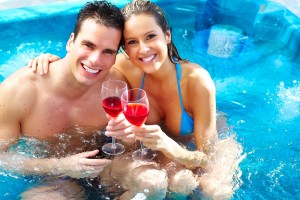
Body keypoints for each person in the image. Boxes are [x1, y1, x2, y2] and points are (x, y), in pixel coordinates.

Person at [29, 0, 244, 199]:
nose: (143, 49)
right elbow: (87, 63)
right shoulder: (124, 67)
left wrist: (172, 148)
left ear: (167, 35)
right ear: (125, 49)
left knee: (215, 191)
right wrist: (55, 63)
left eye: (150, 36)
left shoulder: (197, 81)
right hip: (160, 147)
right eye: (132, 42)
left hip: (205, 142)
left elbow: (207, 156)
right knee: (167, 184)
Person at [0, 1, 128, 199]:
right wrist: (59, 166)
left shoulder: (117, 84)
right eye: (88, 45)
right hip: (54, 179)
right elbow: (1, 157)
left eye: (108, 51)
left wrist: (129, 137)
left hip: (107, 168)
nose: (95, 60)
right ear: (71, 42)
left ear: (115, 56)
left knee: (150, 183)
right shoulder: (19, 91)